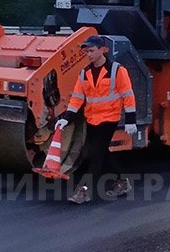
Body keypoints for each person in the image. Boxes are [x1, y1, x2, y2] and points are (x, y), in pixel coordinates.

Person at [52, 35, 137, 203]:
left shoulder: (117, 70)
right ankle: (122, 182)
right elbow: (77, 98)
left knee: (96, 155)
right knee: (101, 152)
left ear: (102, 50)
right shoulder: (85, 73)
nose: (88, 54)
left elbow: (128, 95)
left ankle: (83, 191)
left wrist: (130, 120)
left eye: (91, 51)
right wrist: (66, 118)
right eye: (87, 51)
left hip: (109, 118)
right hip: (91, 119)